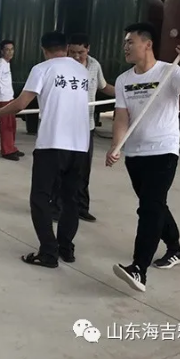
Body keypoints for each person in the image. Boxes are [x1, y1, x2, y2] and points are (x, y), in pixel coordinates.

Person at [0, 32, 90, 268]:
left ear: (44, 50)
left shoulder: (42, 69)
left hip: (52, 143)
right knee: (70, 199)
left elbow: (21, 103)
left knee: (40, 197)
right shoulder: (82, 71)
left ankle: (48, 252)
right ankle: (66, 248)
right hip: (80, 145)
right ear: (66, 48)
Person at [105, 23, 180, 293]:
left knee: (149, 208)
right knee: (155, 205)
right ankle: (176, 249)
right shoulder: (123, 80)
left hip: (163, 151)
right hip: (135, 153)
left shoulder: (171, 71)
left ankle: (139, 268)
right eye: (125, 42)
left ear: (147, 44)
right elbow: (121, 117)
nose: (125, 47)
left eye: (130, 42)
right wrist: (116, 146)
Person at [51, 33, 115, 223]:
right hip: (64, 126)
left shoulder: (94, 65)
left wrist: (124, 92)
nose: (77, 56)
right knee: (60, 169)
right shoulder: (60, 66)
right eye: (72, 52)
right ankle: (56, 208)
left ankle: (81, 207)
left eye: (81, 52)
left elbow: (104, 86)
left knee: (82, 169)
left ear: (88, 49)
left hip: (86, 127)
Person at [0, 39, 23, 161]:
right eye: (7, 50)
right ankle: (7, 151)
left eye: (12, 49)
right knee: (6, 125)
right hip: (2, 99)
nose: (10, 52)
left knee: (12, 125)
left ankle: (12, 147)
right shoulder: (1, 64)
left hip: (9, 98)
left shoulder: (6, 64)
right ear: (2, 51)